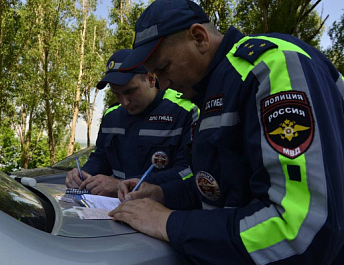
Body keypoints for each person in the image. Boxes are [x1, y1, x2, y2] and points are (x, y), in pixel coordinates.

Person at [109, 0, 344, 264]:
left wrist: (169, 223)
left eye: (163, 69)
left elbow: (300, 230)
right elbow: (222, 187)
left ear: (199, 38)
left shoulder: (273, 67)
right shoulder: (212, 91)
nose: (163, 85)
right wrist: (163, 194)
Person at [65, 49, 199, 197]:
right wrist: (84, 173)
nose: (124, 102)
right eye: (116, 94)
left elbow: (188, 171)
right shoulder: (112, 116)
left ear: (150, 79)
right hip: (112, 208)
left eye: (130, 91)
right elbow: (102, 157)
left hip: (162, 209)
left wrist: (124, 185)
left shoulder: (184, 110)